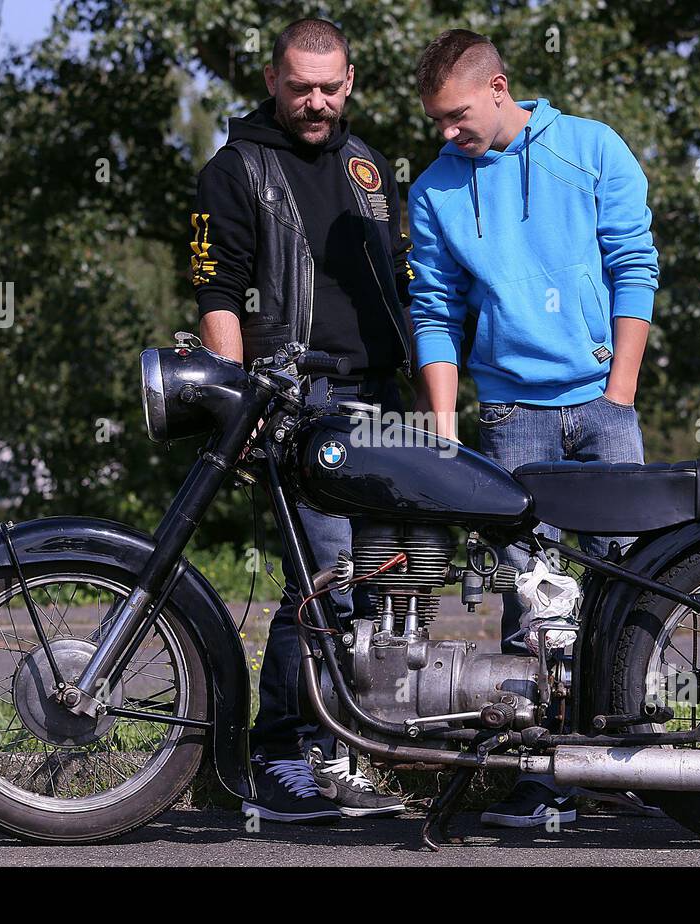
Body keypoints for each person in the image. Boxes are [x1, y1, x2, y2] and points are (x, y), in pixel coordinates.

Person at [407, 29, 660, 827]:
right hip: (513, 418)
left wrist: (618, 394)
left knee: (629, 586)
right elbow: (436, 311)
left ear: (497, 87)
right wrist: (446, 433)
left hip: (601, 407)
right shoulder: (435, 190)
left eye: (455, 117)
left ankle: (634, 766)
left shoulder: (589, 147)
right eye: (436, 122)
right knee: (532, 598)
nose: (448, 134)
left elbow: (635, 263)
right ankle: (543, 774)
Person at [190, 18, 413, 823]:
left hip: (384, 404)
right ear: (271, 79)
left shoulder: (370, 169)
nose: (316, 102)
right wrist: (236, 400)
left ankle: (345, 749)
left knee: (389, 588)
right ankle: (279, 754)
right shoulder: (236, 169)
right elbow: (219, 294)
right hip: (299, 399)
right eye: (299, 87)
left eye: (330, 86)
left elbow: (401, 277)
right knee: (322, 588)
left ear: (350, 80)